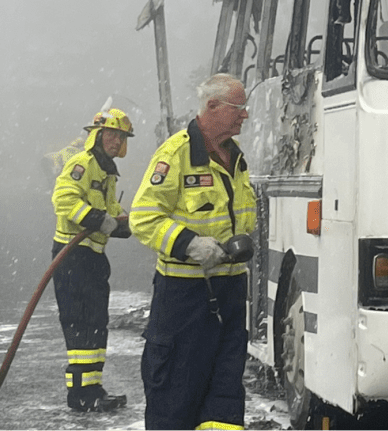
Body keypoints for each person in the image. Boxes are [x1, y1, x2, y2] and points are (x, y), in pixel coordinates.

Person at [130, 73, 256, 431]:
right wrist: (190, 244)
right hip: (185, 300)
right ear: (212, 107)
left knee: (225, 400)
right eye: (238, 108)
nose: (244, 115)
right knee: (174, 398)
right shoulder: (176, 154)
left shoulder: (235, 157)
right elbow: (143, 217)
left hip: (230, 296)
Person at [50, 108, 134, 412]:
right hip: (72, 257)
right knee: (79, 323)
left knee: (97, 323)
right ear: (97, 136)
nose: (116, 140)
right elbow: (64, 199)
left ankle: (94, 389)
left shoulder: (107, 170)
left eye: (121, 136)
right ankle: (80, 394)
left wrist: (123, 221)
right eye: (111, 134)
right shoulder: (82, 165)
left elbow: (110, 208)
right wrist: (98, 220)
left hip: (93, 257)